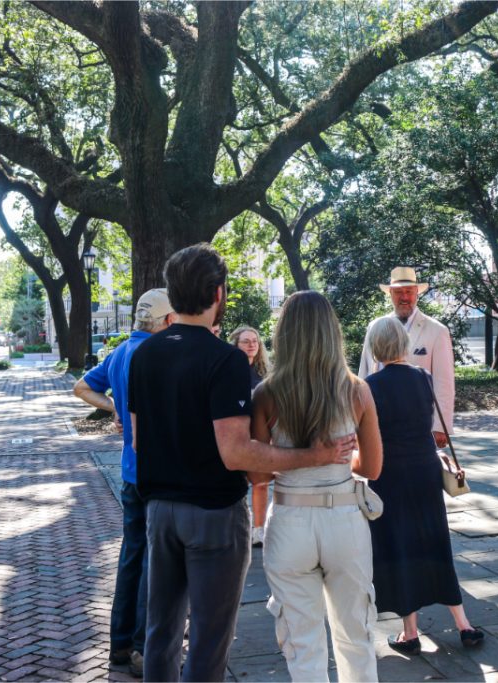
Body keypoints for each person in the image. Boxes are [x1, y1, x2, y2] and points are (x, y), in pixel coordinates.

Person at [127, 245, 356, 682]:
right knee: (211, 640)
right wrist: (314, 456)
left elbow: (137, 440)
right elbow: (237, 452)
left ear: (173, 295)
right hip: (213, 514)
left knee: (161, 633)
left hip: (159, 511)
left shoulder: (144, 355)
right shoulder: (225, 359)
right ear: (218, 293)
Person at [251, 291, 384, 683]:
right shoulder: (356, 389)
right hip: (344, 517)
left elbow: (257, 476)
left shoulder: (266, 394)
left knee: (302, 642)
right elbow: (372, 468)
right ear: (332, 332)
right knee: (356, 635)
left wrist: (298, 458)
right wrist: (339, 457)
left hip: (290, 518)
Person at [364, 316, 484, 654]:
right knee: (434, 542)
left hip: (390, 474)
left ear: (376, 346)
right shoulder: (423, 377)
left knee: (400, 546)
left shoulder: (371, 386)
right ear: (403, 343)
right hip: (425, 469)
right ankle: (464, 624)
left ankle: (410, 632)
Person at [72, 288, 174, 677]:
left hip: (130, 470)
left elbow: (81, 387)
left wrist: (114, 406)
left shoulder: (120, 352)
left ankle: (119, 645)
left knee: (132, 556)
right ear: (167, 321)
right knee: (154, 561)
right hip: (157, 471)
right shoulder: (157, 354)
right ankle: (142, 648)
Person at [359, 266, 454, 449]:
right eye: (398, 292)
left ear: (417, 293)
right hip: (377, 423)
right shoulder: (374, 327)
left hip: (418, 426)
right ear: (390, 294)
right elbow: (364, 372)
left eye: (409, 291)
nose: (404, 297)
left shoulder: (437, 331)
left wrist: (441, 426)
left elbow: (444, 383)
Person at [229, 325, 272, 546]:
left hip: (259, 434)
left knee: (261, 483)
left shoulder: (265, 372)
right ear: (236, 344)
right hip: (235, 434)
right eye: (246, 341)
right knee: (237, 484)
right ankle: (239, 528)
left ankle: (258, 530)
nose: (251, 345)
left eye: (255, 341)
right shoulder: (228, 369)